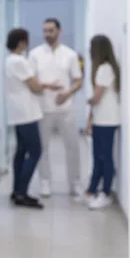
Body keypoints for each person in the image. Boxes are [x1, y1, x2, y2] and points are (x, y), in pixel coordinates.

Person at [5, 28, 63, 209]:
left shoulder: (9, 60)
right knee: (36, 151)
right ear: (22, 42)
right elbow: (35, 87)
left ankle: (16, 191)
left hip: (18, 113)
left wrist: (44, 85)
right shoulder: (20, 61)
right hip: (27, 113)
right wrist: (45, 86)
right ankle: (22, 192)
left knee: (21, 151)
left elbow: (34, 84)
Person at [29, 18, 83, 198]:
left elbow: (78, 80)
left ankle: (75, 183)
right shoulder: (35, 54)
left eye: (51, 30)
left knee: (72, 146)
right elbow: (32, 81)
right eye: (45, 31)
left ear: (59, 31)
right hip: (43, 109)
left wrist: (68, 93)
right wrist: (46, 86)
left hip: (65, 109)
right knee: (43, 148)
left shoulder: (70, 55)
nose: (47, 34)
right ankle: (45, 182)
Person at [84, 34, 121, 209]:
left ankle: (105, 193)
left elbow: (96, 98)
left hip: (107, 121)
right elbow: (97, 101)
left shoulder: (104, 69)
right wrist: (90, 121)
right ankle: (91, 191)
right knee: (98, 157)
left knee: (105, 157)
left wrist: (88, 100)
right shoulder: (105, 68)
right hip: (101, 120)